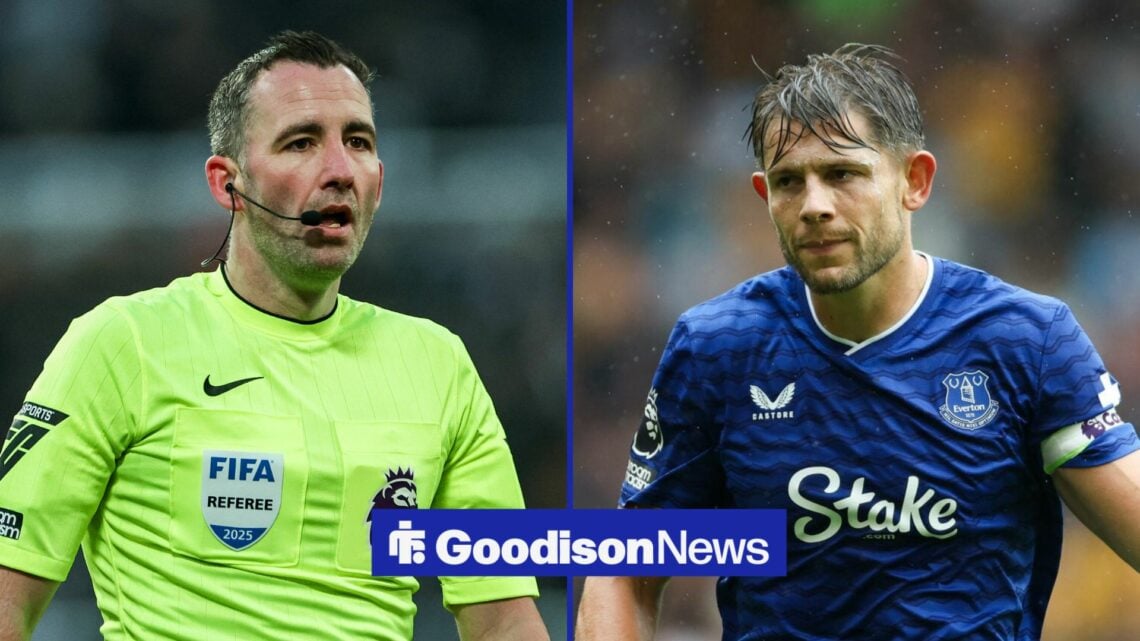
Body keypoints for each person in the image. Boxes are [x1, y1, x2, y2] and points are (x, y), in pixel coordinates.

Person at [576, 43, 1140, 641]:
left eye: (842, 173)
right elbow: (623, 571)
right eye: (790, 181)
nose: (815, 205)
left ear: (914, 181)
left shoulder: (1026, 342)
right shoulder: (717, 348)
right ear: (766, 198)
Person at [0, 31, 549, 641]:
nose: (339, 169)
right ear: (226, 183)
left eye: (358, 142)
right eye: (301, 142)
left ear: (380, 181)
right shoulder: (122, 343)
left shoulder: (439, 364)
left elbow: (503, 617)